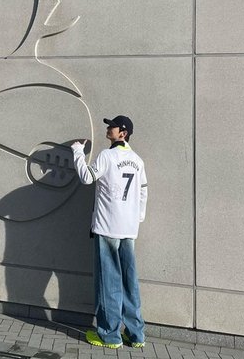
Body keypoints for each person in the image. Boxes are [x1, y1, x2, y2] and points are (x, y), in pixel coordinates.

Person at [71, 115, 148, 349]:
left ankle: (110, 336)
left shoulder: (107, 156)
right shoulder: (137, 160)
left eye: (112, 126)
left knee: (109, 282)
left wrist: (77, 151)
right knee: (129, 282)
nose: (108, 128)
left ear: (123, 133)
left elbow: (87, 177)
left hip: (107, 227)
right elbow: (143, 191)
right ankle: (136, 335)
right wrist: (137, 218)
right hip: (129, 229)